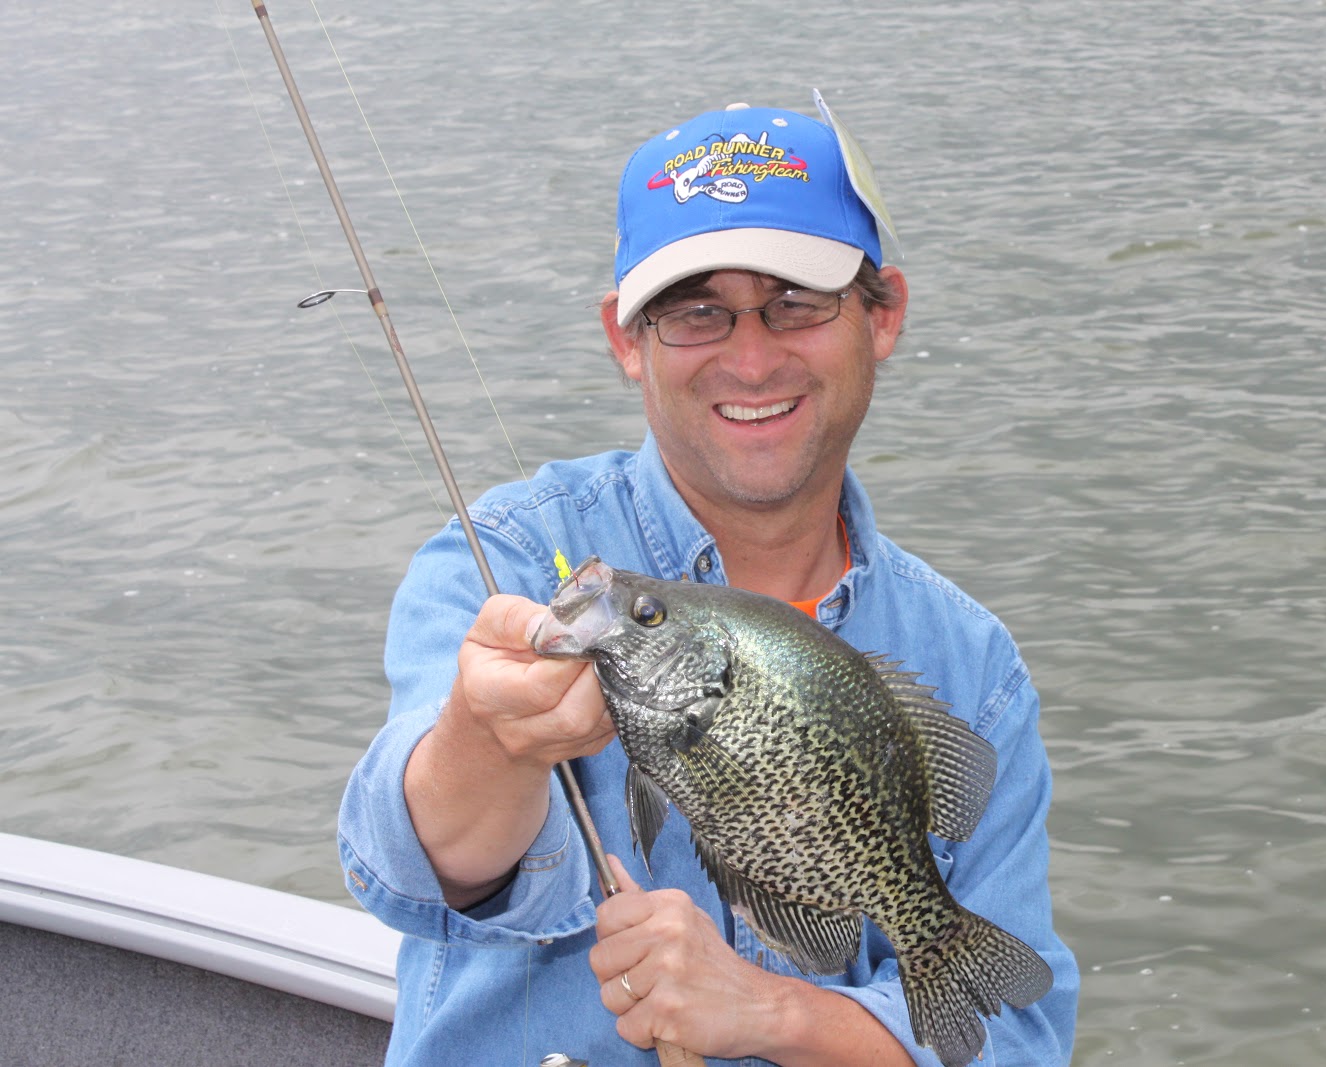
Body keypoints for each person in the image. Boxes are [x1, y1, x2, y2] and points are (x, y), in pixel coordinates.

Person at [338, 100, 1079, 1066]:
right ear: (625, 337)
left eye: (797, 302)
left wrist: (772, 1011)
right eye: (696, 312)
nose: (752, 354)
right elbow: (402, 867)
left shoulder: (972, 664)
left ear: (882, 314)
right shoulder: (509, 561)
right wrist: (487, 741)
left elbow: (1018, 1041)